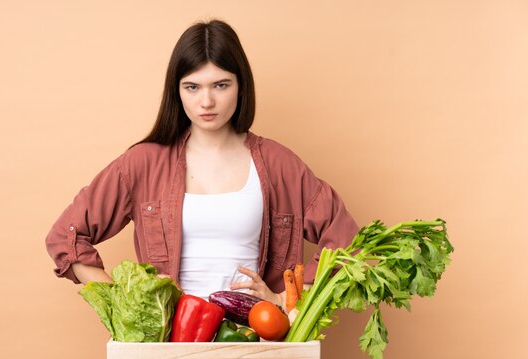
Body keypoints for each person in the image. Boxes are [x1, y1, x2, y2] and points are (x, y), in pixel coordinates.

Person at [45, 19, 358, 310]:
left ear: (241, 86)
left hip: (255, 341)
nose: (206, 102)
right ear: (177, 91)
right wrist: (125, 308)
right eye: (192, 87)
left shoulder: (279, 165)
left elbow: (348, 241)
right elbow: (65, 237)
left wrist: (283, 300)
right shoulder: (143, 163)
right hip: (169, 348)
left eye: (221, 85)